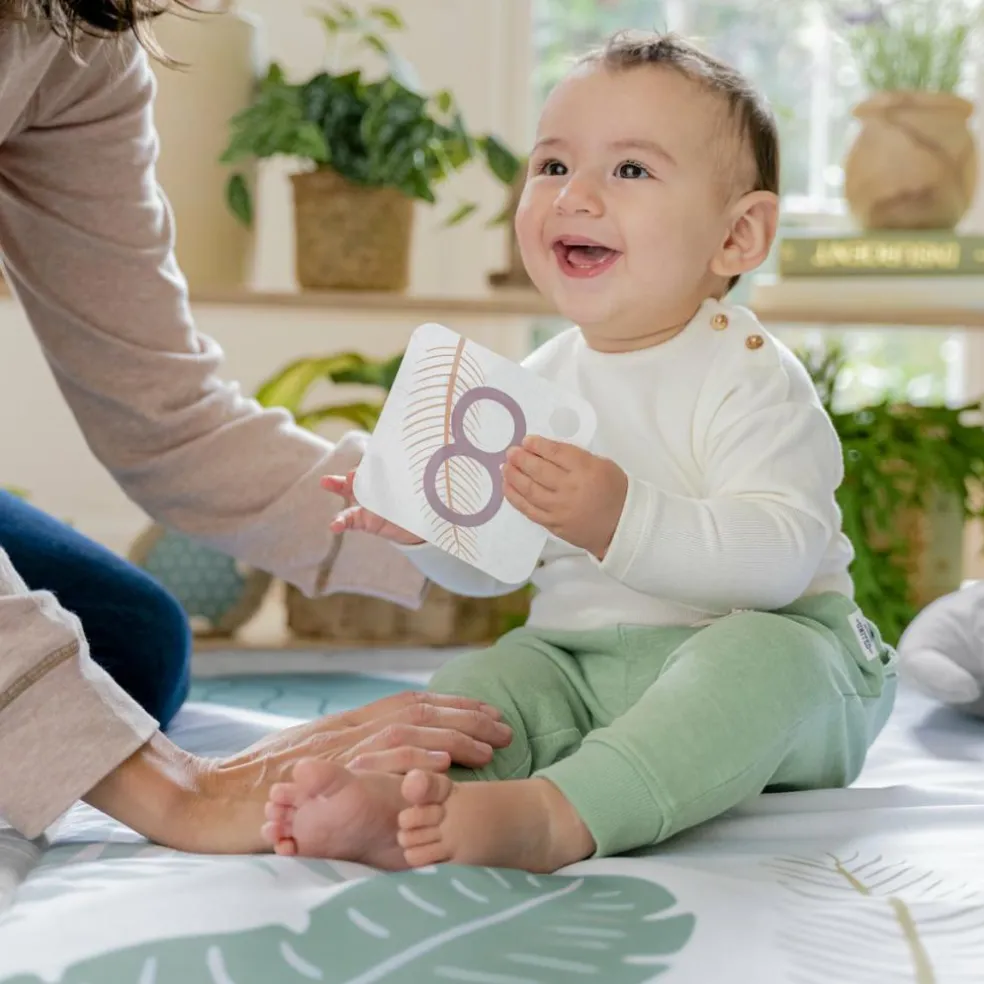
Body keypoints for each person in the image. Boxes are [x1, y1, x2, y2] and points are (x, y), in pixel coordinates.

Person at [260, 32, 899, 873]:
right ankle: (400, 798)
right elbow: (500, 568)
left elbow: (777, 563)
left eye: (630, 171)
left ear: (739, 236)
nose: (575, 196)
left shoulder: (748, 375)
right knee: (486, 689)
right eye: (553, 167)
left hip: (778, 665)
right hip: (583, 666)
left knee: (763, 662)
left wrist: (617, 517)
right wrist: (435, 533)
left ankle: (557, 814)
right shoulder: (536, 384)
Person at [0, 0, 512, 852]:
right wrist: (177, 793)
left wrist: (474, 526)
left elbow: (169, 418)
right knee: (73, 726)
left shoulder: (72, 38)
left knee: (133, 647)